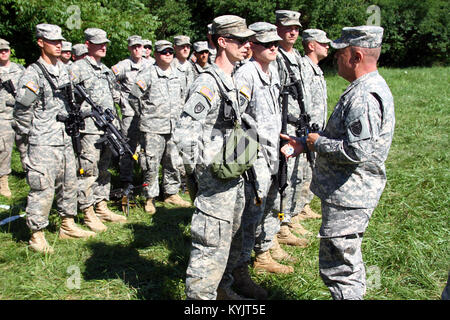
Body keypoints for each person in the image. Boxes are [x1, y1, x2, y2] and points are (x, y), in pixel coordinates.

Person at [280, 26, 395, 300]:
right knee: (346, 263)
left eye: (340, 53)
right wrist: (307, 142)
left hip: (349, 196)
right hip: (349, 193)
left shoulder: (364, 96)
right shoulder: (365, 88)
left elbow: (356, 151)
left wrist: (315, 143)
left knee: (340, 269)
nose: (335, 58)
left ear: (355, 56)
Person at [174, 15, 254, 300]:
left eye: (249, 41)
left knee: (230, 240)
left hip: (232, 179)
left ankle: (223, 290)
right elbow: (184, 135)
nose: (247, 45)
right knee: (209, 246)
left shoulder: (231, 79)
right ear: (222, 42)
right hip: (215, 182)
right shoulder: (207, 83)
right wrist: (208, 170)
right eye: (241, 40)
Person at [14, 24, 97, 253]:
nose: (59, 45)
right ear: (41, 42)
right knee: (42, 187)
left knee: (69, 181)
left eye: (60, 41)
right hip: (42, 140)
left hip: (65, 136)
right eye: (53, 41)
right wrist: (28, 139)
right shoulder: (33, 73)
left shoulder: (65, 70)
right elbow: (22, 111)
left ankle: (67, 224)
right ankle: (36, 234)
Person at [231, 21, 292, 299]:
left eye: (275, 44)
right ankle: (239, 271)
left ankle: (261, 253)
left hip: (272, 153)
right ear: (252, 46)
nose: (273, 48)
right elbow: (234, 119)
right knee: (248, 215)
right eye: (266, 44)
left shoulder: (274, 69)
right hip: (253, 157)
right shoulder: (246, 73)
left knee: (266, 207)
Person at [69, 27, 127, 231]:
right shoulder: (77, 69)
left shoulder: (105, 70)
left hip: (106, 128)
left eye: (105, 44)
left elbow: (114, 96)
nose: (103, 47)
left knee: (104, 169)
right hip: (89, 130)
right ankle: (87, 210)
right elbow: (68, 99)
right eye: (99, 43)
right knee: (88, 169)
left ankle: (101, 204)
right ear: (88, 45)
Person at [129, 40, 191, 214]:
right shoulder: (147, 74)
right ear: (156, 54)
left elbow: (184, 96)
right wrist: (145, 115)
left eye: (171, 51)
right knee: (151, 163)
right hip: (153, 127)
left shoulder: (179, 75)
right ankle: (149, 197)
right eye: (164, 52)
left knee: (173, 161)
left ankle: (171, 193)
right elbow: (133, 98)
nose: (168, 54)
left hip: (174, 127)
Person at [286, 28, 332, 231]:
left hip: (315, 129)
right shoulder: (303, 67)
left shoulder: (316, 68)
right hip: (304, 129)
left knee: (307, 171)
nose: (328, 46)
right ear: (311, 45)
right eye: (323, 43)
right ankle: (290, 215)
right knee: (297, 174)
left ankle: (301, 206)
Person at [273, 9, 311, 247]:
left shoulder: (296, 56)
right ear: (278, 28)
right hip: (285, 125)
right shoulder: (275, 56)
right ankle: (279, 225)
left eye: (296, 28)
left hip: (299, 125)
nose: (293, 32)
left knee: (296, 175)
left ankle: (288, 218)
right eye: (288, 28)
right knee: (282, 178)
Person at [111, 35, 146, 189]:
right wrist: (119, 99)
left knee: (148, 147)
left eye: (139, 46)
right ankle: (126, 180)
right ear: (129, 49)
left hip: (147, 113)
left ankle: (146, 179)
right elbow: (108, 79)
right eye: (134, 47)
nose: (137, 49)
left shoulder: (150, 65)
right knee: (128, 147)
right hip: (130, 113)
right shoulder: (124, 65)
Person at [0, 38, 25, 197]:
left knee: (25, 145)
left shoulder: (20, 69)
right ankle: (3, 180)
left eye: (6, 50)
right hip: (2, 116)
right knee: (4, 148)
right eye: (0, 51)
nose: (3, 53)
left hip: (20, 113)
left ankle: (30, 173)